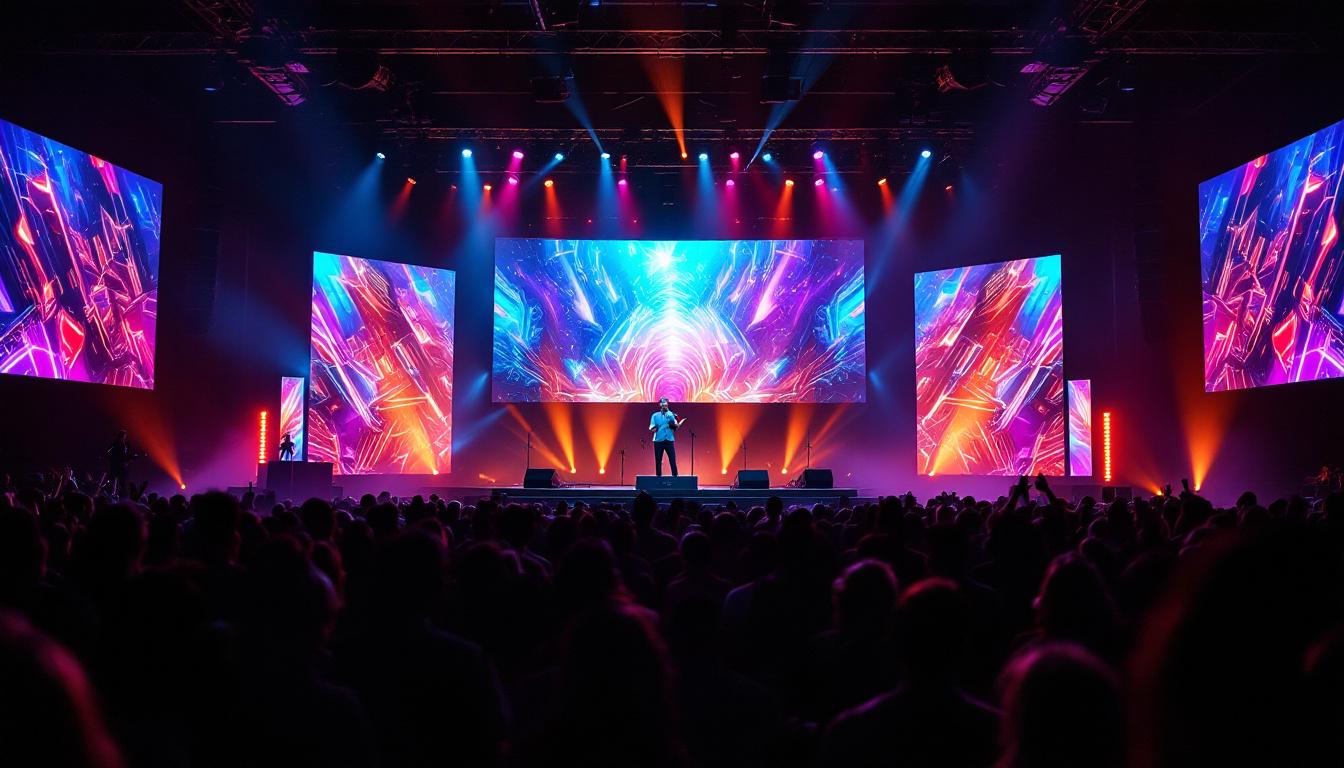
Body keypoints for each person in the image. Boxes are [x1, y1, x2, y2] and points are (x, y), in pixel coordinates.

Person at [648, 398, 686, 477]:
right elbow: (652, 428)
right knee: (658, 461)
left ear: (667, 405)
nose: (664, 405)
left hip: (669, 439)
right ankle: (658, 478)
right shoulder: (655, 415)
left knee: (672, 460)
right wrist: (656, 428)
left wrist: (671, 418)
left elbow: (676, 425)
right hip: (658, 440)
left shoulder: (671, 414)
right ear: (660, 405)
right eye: (662, 404)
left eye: (665, 404)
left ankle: (675, 478)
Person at [105, 430, 133, 498]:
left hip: (121, 466)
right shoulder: (116, 443)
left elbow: (124, 455)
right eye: (125, 436)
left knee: (120, 482)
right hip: (117, 466)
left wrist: (127, 461)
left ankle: (117, 495)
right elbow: (108, 451)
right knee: (115, 481)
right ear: (122, 436)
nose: (125, 437)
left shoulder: (124, 444)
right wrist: (114, 461)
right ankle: (112, 494)